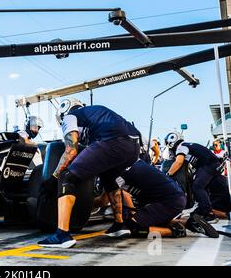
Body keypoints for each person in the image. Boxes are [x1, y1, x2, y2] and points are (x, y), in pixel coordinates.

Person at [37, 98, 141, 248]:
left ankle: (62, 234)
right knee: (109, 178)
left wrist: (54, 177)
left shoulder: (70, 117)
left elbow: (71, 150)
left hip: (113, 141)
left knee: (66, 176)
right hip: (134, 147)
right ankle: (120, 225)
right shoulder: (94, 113)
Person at [115, 159, 218, 238]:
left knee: (133, 227)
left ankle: (175, 231)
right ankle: (189, 223)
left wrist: (133, 216)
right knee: (150, 220)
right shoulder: (135, 162)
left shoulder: (119, 173)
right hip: (175, 198)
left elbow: (120, 194)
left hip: (169, 202)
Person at [165, 132, 222, 223]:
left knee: (197, 187)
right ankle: (202, 210)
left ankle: (209, 214)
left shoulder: (181, 147)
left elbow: (179, 162)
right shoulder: (188, 145)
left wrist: (168, 175)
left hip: (209, 164)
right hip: (214, 164)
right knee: (203, 188)